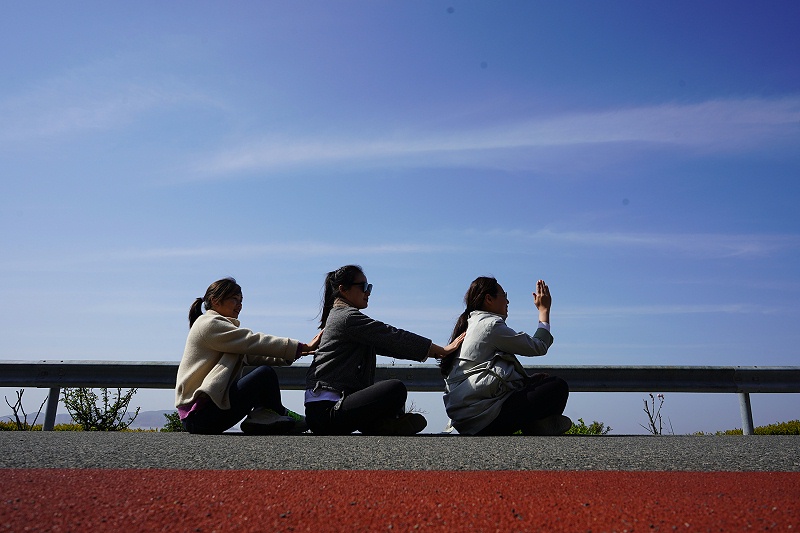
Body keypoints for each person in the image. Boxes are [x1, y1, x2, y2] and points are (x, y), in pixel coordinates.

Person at [304, 265, 465, 435]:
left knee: (389, 392)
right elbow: (392, 336)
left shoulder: (341, 317)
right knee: (395, 389)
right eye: (364, 287)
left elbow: (390, 345)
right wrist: (442, 350)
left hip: (325, 412)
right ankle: (383, 424)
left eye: (370, 287)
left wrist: (431, 352)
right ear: (343, 289)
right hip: (327, 412)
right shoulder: (347, 318)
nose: (368, 292)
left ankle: (382, 424)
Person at [176, 277, 322, 435]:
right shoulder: (209, 324)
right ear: (215, 301)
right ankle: (275, 413)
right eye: (234, 299)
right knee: (264, 374)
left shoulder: (222, 332)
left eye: (241, 301)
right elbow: (252, 341)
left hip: (205, 417)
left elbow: (252, 354)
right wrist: (298, 347)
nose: (239, 305)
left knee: (264, 373)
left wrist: (295, 353)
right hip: (201, 416)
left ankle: (265, 414)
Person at [441, 276, 571, 436]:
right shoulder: (490, 326)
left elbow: (491, 371)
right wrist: (544, 310)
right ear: (489, 299)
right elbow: (538, 346)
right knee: (557, 386)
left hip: (466, 420)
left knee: (540, 382)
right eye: (505, 296)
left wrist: (526, 381)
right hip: (484, 418)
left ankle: (536, 425)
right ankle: (535, 425)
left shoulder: (469, 324)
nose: (508, 302)